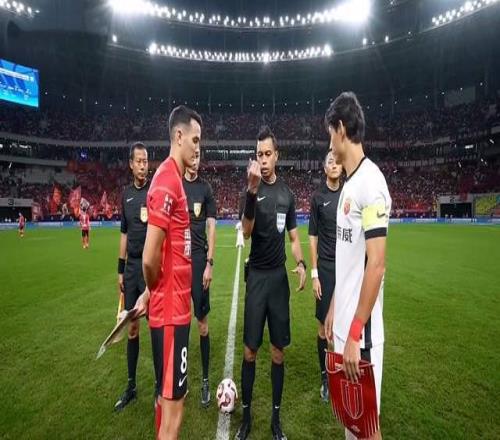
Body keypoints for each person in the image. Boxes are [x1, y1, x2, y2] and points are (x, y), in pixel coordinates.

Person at [324, 92, 392, 440]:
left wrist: (353, 333)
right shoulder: (349, 186)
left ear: (340, 129)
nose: (329, 144)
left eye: (329, 134)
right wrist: (334, 307)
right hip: (344, 327)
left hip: (360, 337)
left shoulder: (371, 183)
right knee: (352, 426)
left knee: (366, 431)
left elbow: (376, 265)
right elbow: (350, 261)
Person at [134, 105, 202, 440]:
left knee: (168, 400)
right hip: (171, 315)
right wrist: (156, 291)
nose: (198, 147)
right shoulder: (166, 180)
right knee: (174, 412)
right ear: (178, 136)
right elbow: (149, 259)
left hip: (173, 309)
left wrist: (150, 293)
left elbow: (164, 256)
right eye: (195, 139)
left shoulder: (172, 178)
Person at [235, 126, 306, 440]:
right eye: (258, 154)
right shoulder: (250, 190)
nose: (262, 160)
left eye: (267, 154)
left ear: (277, 155)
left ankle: (275, 420)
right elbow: (246, 231)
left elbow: (294, 237)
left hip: (278, 280)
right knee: (250, 351)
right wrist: (251, 192)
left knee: (278, 352)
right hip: (257, 279)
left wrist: (301, 264)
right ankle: (246, 417)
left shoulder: (287, 194)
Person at [114, 142, 150, 411]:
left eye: (145, 161)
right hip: (131, 269)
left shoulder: (154, 192)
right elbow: (124, 235)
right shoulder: (126, 195)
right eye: (138, 161)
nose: (143, 165)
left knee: (157, 325)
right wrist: (120, 269)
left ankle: (162, 385)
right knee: (133, 327)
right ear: (130, 164)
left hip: (150, 269)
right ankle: (131, 385)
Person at [182, 143, 216, 407]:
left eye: (198, 155)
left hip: (198, 262)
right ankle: (177, 380)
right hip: (177, 263)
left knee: (202, 324)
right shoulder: (175, 184)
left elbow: (212, 228)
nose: (195, 158)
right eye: (192, 154)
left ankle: (205, 380)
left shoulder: (206, 189)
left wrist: (209, 263)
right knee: (178, 325)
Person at [308, 151, 343, 402]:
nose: (334, 164)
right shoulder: (318, 198)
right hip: (327, 269)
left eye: (337, 161)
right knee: (323, 328)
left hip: (347, 269)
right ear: (324, 168)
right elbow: (312, 236)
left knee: (344, 326)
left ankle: (343, 373)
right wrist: (315, 274)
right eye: (330, 161)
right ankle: (325, 377)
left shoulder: (349, 194)